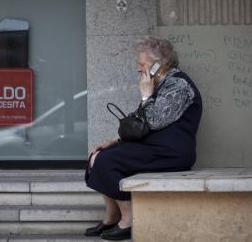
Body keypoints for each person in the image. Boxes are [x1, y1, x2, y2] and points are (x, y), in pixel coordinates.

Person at [84, 36, 202, 240]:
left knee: (106, 161)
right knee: (97, 155)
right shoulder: (161, 84)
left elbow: (154, 121)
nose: (138, 69)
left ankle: (128, 220)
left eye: (141, 64)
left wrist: (146, 96)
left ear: (158, 64)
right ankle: (112, 216)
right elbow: (140, 124)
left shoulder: (178, 86)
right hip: (155, 148)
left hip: (172, 153)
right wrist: (117, 139)